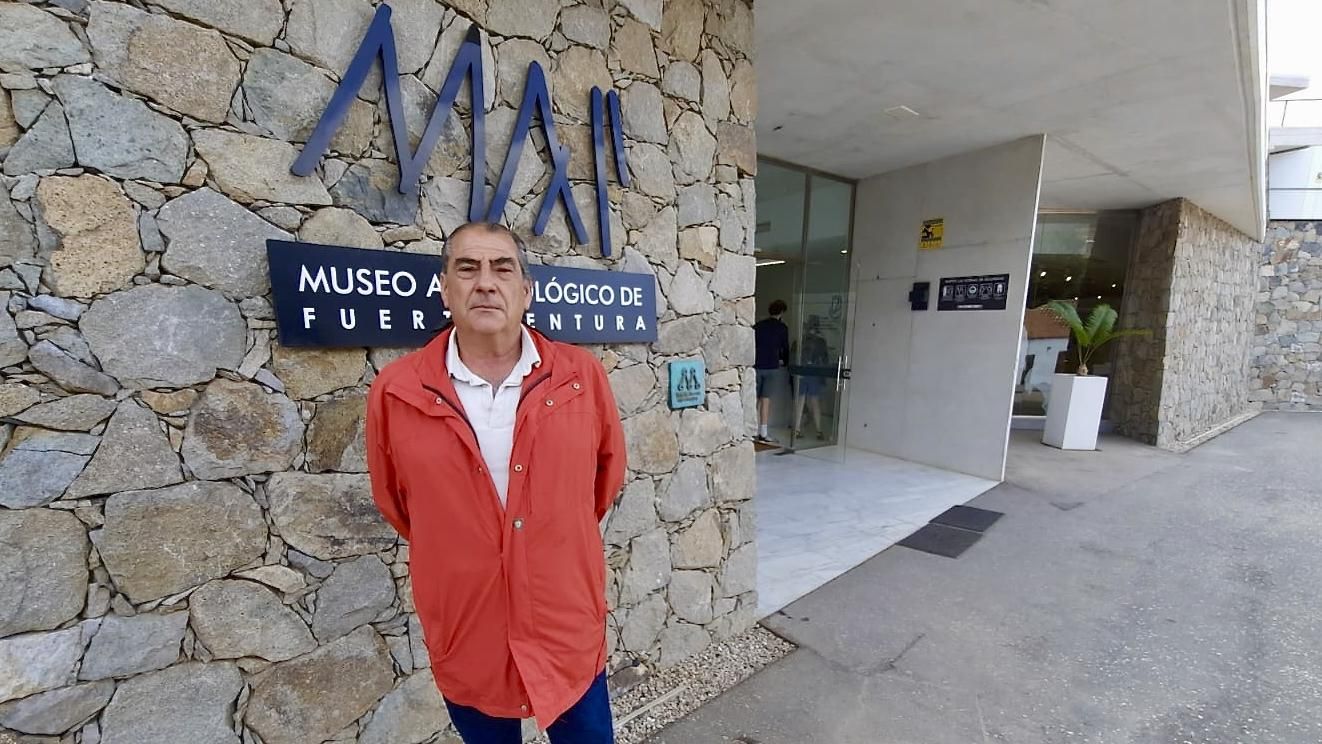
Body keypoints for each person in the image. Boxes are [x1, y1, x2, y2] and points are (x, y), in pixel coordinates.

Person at [366, 222, 626, 744]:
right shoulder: (396, 391)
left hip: (563, 618)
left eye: (502, 268)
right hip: (468, 624)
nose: (486, 282)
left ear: (525, 290)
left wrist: (543, 539)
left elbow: (602, 482)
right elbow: (397, 501)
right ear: (445, 288)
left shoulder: (580, 377)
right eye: (468, 268)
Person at [753, 299, 790, 443]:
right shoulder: (782, 328)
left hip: (756, 365)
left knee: (754, 399)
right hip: (772, 366)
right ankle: (763, 432)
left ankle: (748, 429)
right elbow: (784, 348)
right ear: (781, 312)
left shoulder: (759, 326)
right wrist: (786, 362)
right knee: (766, 400)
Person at [794, 315, 829, 439]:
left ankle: (797, 429)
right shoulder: (821, 341)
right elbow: (825, 360)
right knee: (815, 402)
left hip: (802, 372)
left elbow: (795, 354)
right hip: (814, 372)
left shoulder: (802, 339)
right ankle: (819, 430)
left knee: (800, 401)